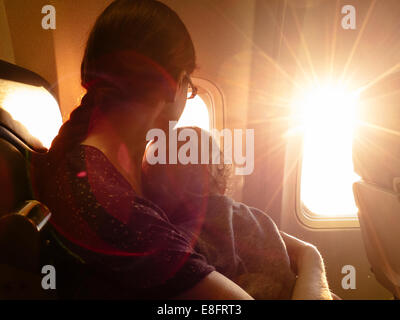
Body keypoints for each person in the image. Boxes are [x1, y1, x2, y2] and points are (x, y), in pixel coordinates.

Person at [38, 0, 332, 299]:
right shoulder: (115, 208)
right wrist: (313, 262)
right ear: (173, 84)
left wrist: (303, 252)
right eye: (189, 86)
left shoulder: (115, 170)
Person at [141, 126, 298, 299]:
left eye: (154, 179)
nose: (149, 189)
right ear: (221, 182)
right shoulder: (262, 220)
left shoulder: (185, 237)